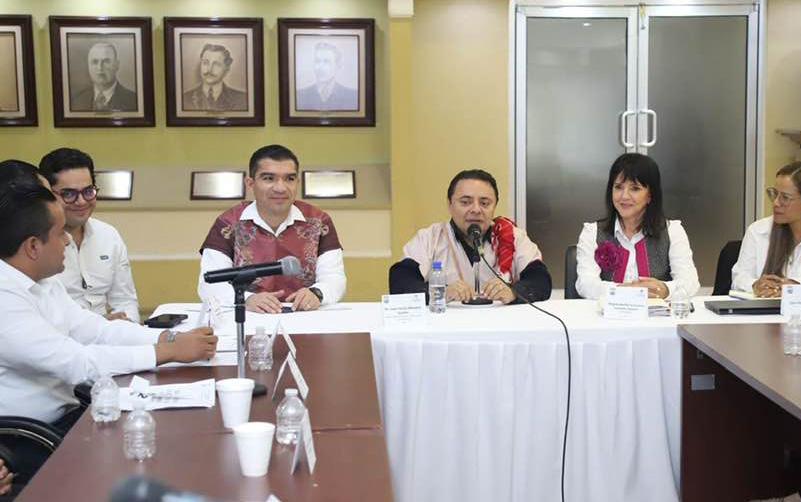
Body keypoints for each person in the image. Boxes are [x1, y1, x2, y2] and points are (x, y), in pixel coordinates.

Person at [0, 178, 217, 432]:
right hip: (30, 436)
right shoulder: (5, 299)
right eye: (60, 233)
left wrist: (170, 338)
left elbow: (97, 330)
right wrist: (167, 352)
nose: (68, 240)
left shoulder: (44, 282)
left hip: (70, 414)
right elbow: (77, 364)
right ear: (33, 246)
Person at [198, 144, 346, 313]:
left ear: (297, 183)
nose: (280, 188)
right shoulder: (228, 223)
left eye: (289, 179)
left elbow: (334, 278)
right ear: (250, 183)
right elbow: (209, 283)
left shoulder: (319, 221)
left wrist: (317, 293)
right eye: (269, 178)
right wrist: (247, 299)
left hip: (304, 316)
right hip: (248, 317)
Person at [389, 169, 552, 303]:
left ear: (495, 206)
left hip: (500, 326)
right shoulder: (430, 238)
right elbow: (400, 281)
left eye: (485, 203)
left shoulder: (513, 237)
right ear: (450, 204)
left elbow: (540, 280)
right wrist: (441, 293)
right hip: (446, 327)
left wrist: (514, 292)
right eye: (465, 202)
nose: (476, 210)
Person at [575, 153, 700, 300]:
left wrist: (665, 290)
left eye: (634, 188)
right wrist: (629, 292)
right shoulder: (592, 232)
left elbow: (690, 282)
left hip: (656, 314)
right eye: (618, 187)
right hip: (607, 314)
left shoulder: (673, 231)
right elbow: (585, 284)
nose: (624, 196)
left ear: (650, 195)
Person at [39, 148, 141, 322]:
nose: (81, 202)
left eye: (88, 191)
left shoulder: (108, 236)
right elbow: (39, 316)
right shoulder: (36, 245)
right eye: (69, 194)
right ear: (48, 194)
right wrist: (100, 325)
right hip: (63, 335)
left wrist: (126, 323)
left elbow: (125, 301)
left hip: (111, 333)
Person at [731, 162, 801, 297]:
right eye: (774, 194)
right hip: (765, 309)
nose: (776, 203)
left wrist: (794, 288)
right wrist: (755, 285)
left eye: (785, 198)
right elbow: (739, 278)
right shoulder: (758, 231)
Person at [71, 42, 137, 112]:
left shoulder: (133, 100)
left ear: (117, 65)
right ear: (88, 66)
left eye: (106, 61)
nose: (100, 68)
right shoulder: (77, 100)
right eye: (95, 62)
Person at [182, 43, 248, 112]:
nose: (209, 69)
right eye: (205, 63)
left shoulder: (242, 99)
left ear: (227, 69)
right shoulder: (185, 98)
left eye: (216, 64)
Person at [295, 41, 358, 112]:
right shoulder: (299, 95)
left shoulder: (353, 96)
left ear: (338, 66)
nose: (320, 67)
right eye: (317, 61)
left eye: (326, 62)